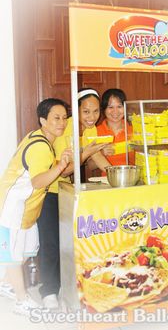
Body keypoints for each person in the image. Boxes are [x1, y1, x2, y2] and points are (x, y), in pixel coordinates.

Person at [37, 88, 111, 309]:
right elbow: (65, 169)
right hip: (49, 190)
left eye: (96, 111)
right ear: (76, 111)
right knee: (50, 242)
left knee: (69, 243)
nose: (91, 116)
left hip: (68, 193)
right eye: (86, 111)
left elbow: (95, 153)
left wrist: (117, 175)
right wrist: (87, 153)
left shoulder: (90, 130)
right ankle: (48, 291)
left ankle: (68, 287)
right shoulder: (64, 127)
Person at [0, 98, 72, 316]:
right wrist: (61, 166)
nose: (61, 122)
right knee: (14, 253)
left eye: (64, 118)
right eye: (55, 118)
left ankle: (6, 283)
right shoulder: (41, 146)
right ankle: (22, 301)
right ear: (43, 120)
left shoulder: (41, 139)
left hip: (26, 206)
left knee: (25, 249)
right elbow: (38, 182)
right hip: (13, 206)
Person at [97, 88, 134, 170]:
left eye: (119, 106)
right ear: (104, 109)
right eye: (110, 107)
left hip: (132, 178)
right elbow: (90, 166)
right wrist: (102, 154)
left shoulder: (135, 130)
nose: (115, 111)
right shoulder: (96, 131)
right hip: (106, 179)